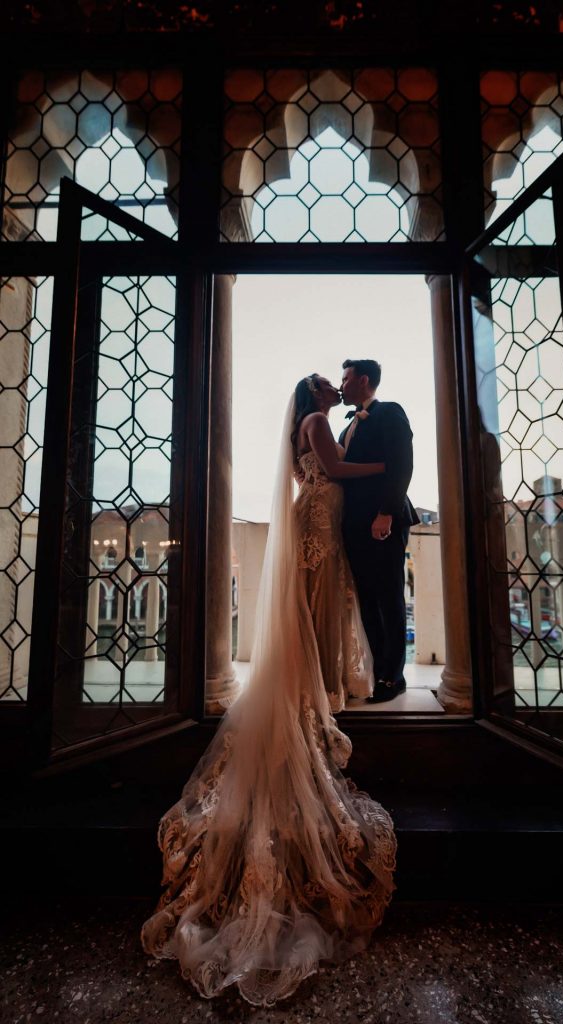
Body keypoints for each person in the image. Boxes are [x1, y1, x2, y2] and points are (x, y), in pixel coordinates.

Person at [141, 373, 397, 1007]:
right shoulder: (317, 427)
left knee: (320, 606)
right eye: (327, 386)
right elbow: (335, 465)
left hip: (317, 516)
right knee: (316, 604)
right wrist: (383, 467)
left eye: (339, 384)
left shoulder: (311, 425)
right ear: (315, 397)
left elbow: (322, 468)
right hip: (317, 520)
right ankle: (322, 681)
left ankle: (328, 678)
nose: (336, 391)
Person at [339, 359, 419, 703]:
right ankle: (379, 672)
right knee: (368, 601)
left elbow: (402, 463)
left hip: (382, 521)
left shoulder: (390, 412)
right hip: (354, 525)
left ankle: (393, 677)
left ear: (363, 380)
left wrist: (386, 512)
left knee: (389, 598)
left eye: (345, 379)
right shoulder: (346, 427)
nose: (341, 385)